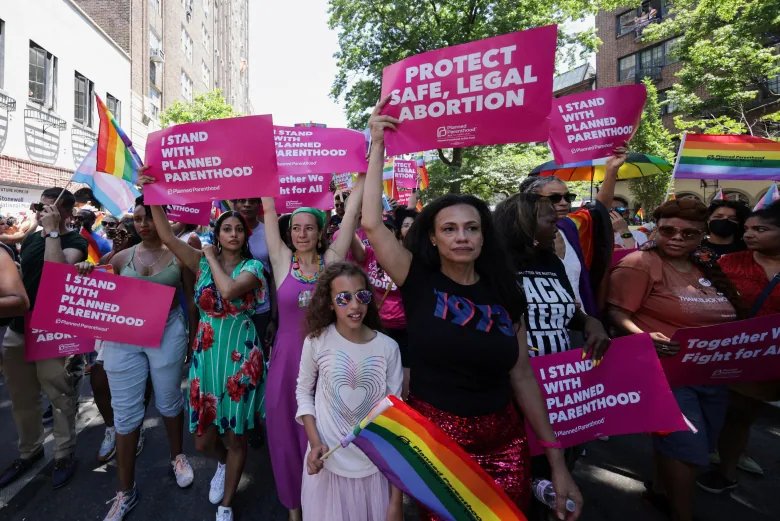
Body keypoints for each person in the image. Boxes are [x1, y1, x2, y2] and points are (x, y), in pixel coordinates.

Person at [363, 97, 582, 520]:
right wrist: (377, 144)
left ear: (484, 236)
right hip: (438, 446)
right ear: (432, 238)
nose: (461, 236)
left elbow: (522, 376)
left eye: (471, 227)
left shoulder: (505, 291)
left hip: (506, 444)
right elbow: (372, 223)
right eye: (449, 228)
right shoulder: (416, 279)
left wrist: (557, 463)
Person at [607, 199, 744, 521]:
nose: (677, 238)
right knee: (689, 448)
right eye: (668, 229)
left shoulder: (706, 266)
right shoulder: (639, 263)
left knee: (696, 444)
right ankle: (682, 514)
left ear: (701, 236)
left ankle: (659, 490)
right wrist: (641, 336)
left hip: (711, 374)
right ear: (656, 228)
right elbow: (615, 312)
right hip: (664, 374)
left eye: (689, 233)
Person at [139, 176, 266, 521]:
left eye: (239, 229)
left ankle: (226, 505)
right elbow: (166, 235)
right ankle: (223, 464)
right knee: (203, 441)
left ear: (245, 236)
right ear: (218, 232)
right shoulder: (199, 261)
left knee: (236, 435)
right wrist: (151, 193)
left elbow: (227, 292)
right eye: (227, 228)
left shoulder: (253, 267)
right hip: (207, 357)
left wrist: (208, 253)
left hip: (239, 357)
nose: (234, 234)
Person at [75, 197, 194, 520]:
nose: (143, 224)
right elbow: (101, 289)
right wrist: (87, 270)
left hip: (167, 333)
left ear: (163, 219)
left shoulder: (179, 255)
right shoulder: (121, 257)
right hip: (123, 339)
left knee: (169, 402)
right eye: (138, 219)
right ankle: (125, 491)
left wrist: (194, 338)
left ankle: (178, 455)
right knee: (126, 414)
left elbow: (190, 298)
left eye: (149, 218)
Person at [260, 177, 363, 521]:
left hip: (326, 363)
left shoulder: (331, 263)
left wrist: (361, 178)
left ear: (320, 233)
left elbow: (349, 219)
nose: (301, 234)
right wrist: (262, 172)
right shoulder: (280, 261)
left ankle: (325, 506)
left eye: (309, 228)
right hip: (286, 363)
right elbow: (269, 205)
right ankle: (294, 508)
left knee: (324, 433)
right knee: (286, 436)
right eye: (296, 228)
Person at [296, 262, 403, 521]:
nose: (354, 306)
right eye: (343, 298)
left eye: (362, 296)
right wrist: (314, 443)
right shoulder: (316, 342)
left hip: (373, 471)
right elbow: (303, 392)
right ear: (330, 303)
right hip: (328, 469)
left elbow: (397, 423)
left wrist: (396, 501)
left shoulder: (388, 349)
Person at [0, 188, 87, 490]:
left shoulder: (75, 241)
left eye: (46, 208)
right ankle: (30, 451)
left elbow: (57, 277)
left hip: (53, 331)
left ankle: (64, 454)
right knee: (22, 398)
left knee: (60, 397)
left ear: (64, 213)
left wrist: (52, 234)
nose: (39, 212)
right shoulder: (31, 239)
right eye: (38, 207)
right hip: (20, 328)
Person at [697, 200, 780, 493]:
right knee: (729, 413)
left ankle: (728, 464)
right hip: (731, 353)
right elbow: (702, 300)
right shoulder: (730, 263)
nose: (749, 234)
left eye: (761, 229)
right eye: (747, 229)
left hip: (771, 360)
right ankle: (717, 467)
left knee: (744, 415)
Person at [494, 193, 610, 359]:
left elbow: (566, 312)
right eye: (551, 222)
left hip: (558, 374)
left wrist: (591, 322)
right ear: (527, 224)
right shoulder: (495, 266)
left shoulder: (552, 262)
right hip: (514, 375)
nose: (556, 228)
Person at [519, 149, 626, 316]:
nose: (563, 203)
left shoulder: (570, 226)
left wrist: (612, 169)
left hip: (581, 325)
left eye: (568, 197)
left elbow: (600, 210)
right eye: (554, 198)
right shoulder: (515, 236)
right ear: (531, 201)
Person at [349, 216, 411, 398]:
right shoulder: (368, 255)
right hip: (376, 326)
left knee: (403, 380)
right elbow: (350, 236)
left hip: (404, 329)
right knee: (374, 375)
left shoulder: (406, 258)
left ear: (396, 235)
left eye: (386, 233)